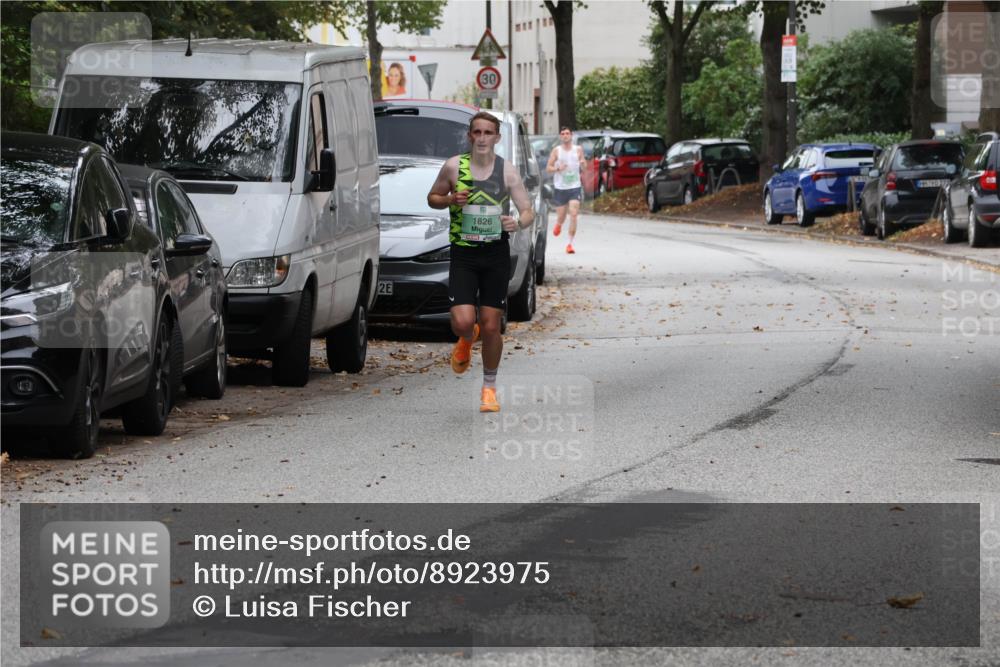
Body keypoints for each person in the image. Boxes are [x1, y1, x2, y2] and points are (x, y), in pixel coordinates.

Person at [427, 111, 535, 413]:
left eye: (489, 132)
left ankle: (489, 388)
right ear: (470, 135)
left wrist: (517, 222)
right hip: (464, 253)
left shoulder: (507, 172)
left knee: (490, 326)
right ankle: (465, 336)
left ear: (497, 137)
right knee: (463, 321)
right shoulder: (453, 167)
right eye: (478, 132)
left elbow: (528, 211)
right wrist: (449, 200)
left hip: (494, 254)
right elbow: (432, 197)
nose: (483, 138)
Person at [546, 127, 588, 254]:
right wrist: (558, 169)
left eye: (567, 133)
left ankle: (570, 244)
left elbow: (585, 168)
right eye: (563, 134)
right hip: (560, 187)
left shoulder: (578, 149)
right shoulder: (556, 151)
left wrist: (582, 162)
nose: (565, 135)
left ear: (571, 135)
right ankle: (559, 224)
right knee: (562, 216)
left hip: (575, 186)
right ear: (560, 136)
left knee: (574, 214)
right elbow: (548, 168)